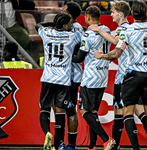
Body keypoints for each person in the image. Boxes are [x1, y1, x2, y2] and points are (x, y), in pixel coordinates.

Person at [94, 0, 147, 150]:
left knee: (128, 113)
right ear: (146, 12)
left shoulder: (129, 30)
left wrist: (102, 56)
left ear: (132, 13)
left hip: (133, 75)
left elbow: (116, 54)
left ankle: (136, 149)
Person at [35, 13, 81, 150]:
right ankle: (58, 144)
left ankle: (47, 133)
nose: (72, 25)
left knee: (44, 109)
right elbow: (82, 31)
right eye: (70, 23)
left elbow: (38, 25)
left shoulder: (46, 33)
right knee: (60, 112)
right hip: (63, 80)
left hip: (48, 78)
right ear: (65, 25)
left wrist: (52, 24)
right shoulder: (73, 36)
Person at [72, 6, 115, 150]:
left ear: (89, 18)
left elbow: (79, 58)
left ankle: (106, 139)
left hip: (90, 78)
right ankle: (91, 146)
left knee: (84, 112)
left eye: (85, 18)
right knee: (93, 113)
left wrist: (68, 54)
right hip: (103, 76)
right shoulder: (107, 30)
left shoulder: (88, 35)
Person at [59, 2, 85, 150]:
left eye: (63, 10)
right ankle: (71, 145)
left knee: (64, 109)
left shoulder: (69, 28)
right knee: (69, 109)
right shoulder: (80, 29)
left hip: (67, 75)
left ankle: (64, 143)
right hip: (73, 75)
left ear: (68, 15)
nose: (60, 11)